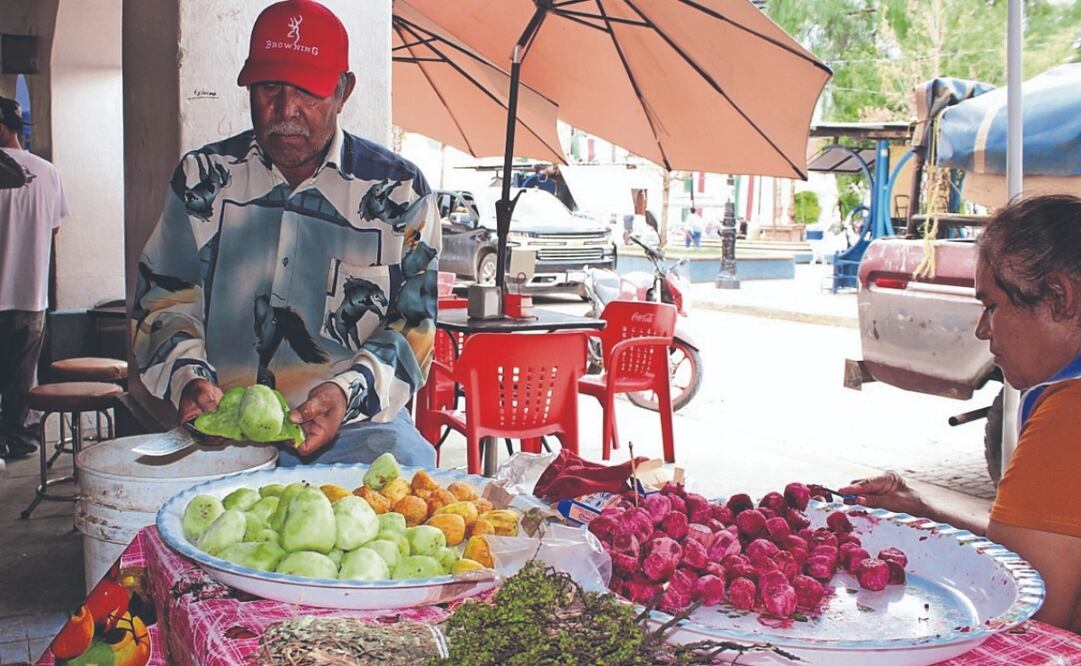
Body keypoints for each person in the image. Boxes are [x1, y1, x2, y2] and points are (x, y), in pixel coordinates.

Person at [132, 0, 440, 467]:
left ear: (343, 91)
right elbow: (163, 302)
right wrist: (188, 378)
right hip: (223, 430)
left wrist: (346, 391)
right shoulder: (204, 179)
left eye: (308, 91)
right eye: (269, 88)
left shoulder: (398, 192)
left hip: (352, 428)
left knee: (413, 477)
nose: (285, 110)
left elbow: (413, 327)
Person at [839, 194, 1081, 633]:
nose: (982, 329)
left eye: (991, 306)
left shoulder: (1070, 415)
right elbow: (1028, 546)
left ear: (1058, 297)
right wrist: (923, 509)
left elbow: (1030, 613)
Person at [0, 96, 68, 461]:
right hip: (30, 291)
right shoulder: (48, 172)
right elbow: (55, 227)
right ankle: (22, 440)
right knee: (23, 375)